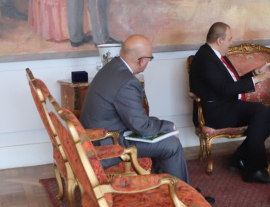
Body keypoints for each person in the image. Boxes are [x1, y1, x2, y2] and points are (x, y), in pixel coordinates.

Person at [81, 35, 193, 185]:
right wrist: (168, 126)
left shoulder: (112, 67)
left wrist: (161, 127)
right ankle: (182, 195)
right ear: (142, 61)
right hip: (107, 144)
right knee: (171, 144)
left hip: (97, 136)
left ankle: (166, 189)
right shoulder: (127, 81)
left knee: (163, 139)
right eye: (149, 59)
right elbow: (142, 126)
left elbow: (136, 121)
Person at [189, 22, 270, 184]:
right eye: (229, 39)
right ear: (219, 40)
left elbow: (232, 84)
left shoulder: (216, 56)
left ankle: (238, 158)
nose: (231, 43)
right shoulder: (205, 59)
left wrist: (255, 72)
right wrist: (257, 79)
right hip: (214, 111)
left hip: (225, 104)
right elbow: (224, 89)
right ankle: (254, 170)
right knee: (260, 111)